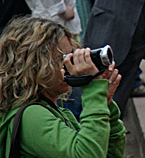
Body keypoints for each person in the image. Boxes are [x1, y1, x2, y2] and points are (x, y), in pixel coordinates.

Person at [0, 16, 125, 157]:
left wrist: (104, 104)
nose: (69, 66)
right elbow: (89, 155)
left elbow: (110, 155)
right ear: (33, 66)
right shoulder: (31, 116)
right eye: (61, 59)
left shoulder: (60, 113)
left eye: (70, 56)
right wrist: (93, 89)